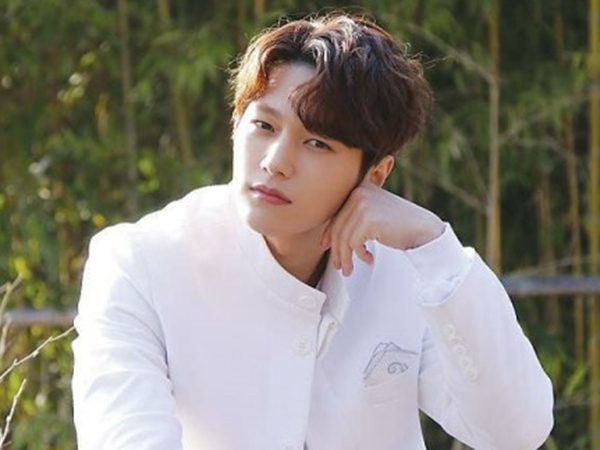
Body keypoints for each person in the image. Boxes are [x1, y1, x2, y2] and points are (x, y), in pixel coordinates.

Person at [71, 12, 554, 450]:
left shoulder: (410, 268)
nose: (276, 162)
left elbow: (514, 432)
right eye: (264, 125)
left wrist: (434, 243)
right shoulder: (140, 262)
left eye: (317, 143)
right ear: (236, 124)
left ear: (375, 175)